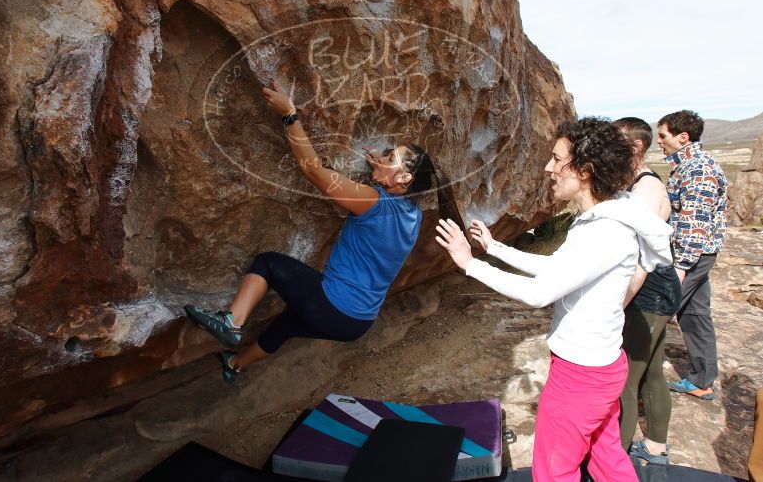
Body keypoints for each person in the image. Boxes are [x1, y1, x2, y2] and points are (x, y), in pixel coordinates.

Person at [436, 117, 673, 481]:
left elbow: (540, 292)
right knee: (607, 457)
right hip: (600, 367)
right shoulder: (604, 218)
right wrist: (494, 248)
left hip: (581, 376)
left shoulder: (605, 231)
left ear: (584, 170)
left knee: (554, 470)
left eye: (556, 158)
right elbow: (558, 268)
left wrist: (470, 265)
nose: (548, 167)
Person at [185, 81, 463, 381]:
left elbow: (313, 170)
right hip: (356, 323)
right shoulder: (413, 215)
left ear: (404, 177)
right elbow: (382, 209)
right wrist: (381, 172)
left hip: (334, 305)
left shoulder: (372, 202)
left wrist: (290, 114)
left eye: (389, 156)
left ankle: (231, 322)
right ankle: (235, 365)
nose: (382, 156)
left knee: (268, 263)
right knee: (288, 324)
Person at [613, 118, 681, 465]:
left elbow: (640, 261)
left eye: (616, 141)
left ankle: (614, 459)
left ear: (636, 148)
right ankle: (655, 446)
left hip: (649, 290)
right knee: (653, 369)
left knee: (626, 379)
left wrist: (618, 304)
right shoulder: (639, 182)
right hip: (658, 287)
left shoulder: (645, 190)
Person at [658, 110, 728, 401]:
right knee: (695, 315)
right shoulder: (689, 164)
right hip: (701, 253)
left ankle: (635, 382)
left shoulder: (698, 168)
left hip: (691, 254)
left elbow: (693, 222)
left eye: (663, 136)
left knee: (656, 314)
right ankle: (702, 379)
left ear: (682, 137)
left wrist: (681, 266)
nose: (659, 141)